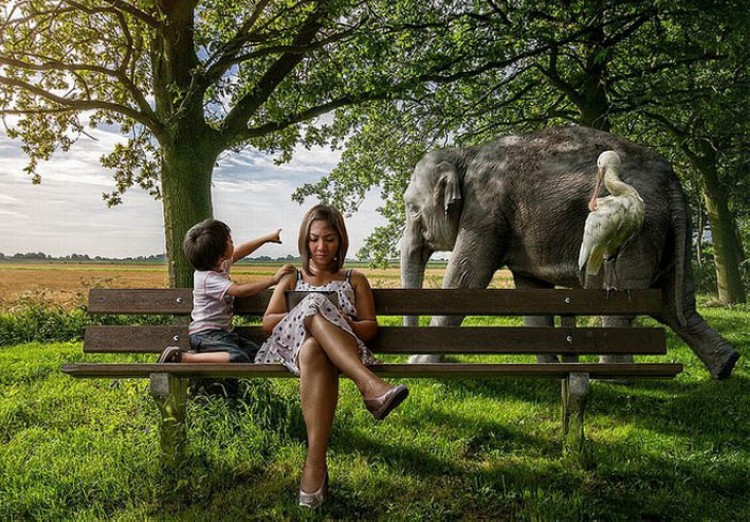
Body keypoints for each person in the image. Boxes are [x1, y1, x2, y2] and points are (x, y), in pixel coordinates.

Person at [255, 204, 409, 509]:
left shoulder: (354, 279)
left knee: (316, 347)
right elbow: (268, 321)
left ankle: (314, 466)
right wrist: (308, 310)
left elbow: (368, 328)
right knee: (313, 305)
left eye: (329, 239)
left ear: (341, 241)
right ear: (304, 241)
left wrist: (337, 320)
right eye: (314, 239)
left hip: (335, 352)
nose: (321, 247)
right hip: (290, 347)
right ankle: (370, 386)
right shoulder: (291, 277)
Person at [156, 219, 294, 364]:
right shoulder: (207, 278)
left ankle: (205, 363)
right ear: (220, 254)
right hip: (205, 335)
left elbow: (241, 251)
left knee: (257, 354)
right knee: (238, 358)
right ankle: (183, 357)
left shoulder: (217, 265)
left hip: (223, 334)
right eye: (229, 240)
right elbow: (238, 290)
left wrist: (266, 239)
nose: (233, 242)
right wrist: (273, 280)